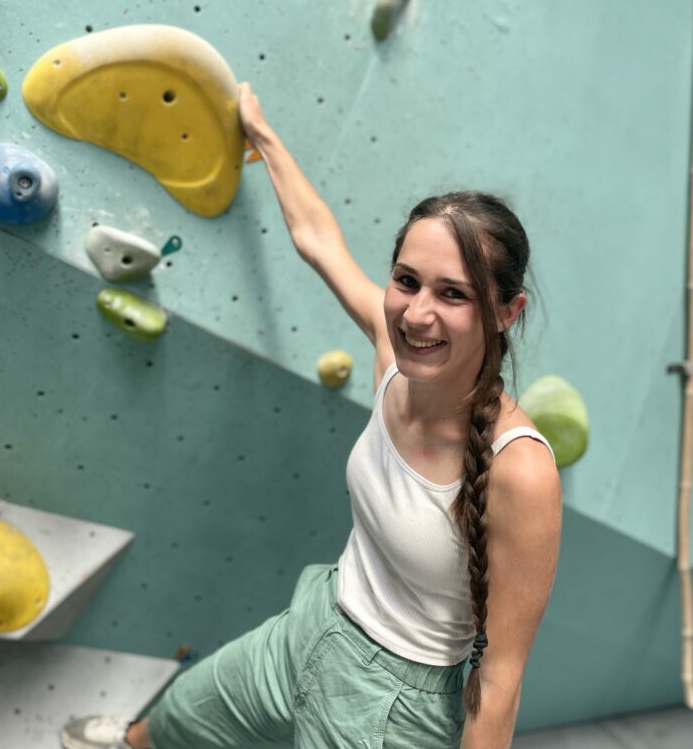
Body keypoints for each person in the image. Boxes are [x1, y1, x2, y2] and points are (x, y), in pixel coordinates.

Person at [62, 82, 561, 749]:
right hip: (317, 621)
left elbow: (499, 685)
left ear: (505, 313)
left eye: (453, 294)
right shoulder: (395, 359)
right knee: (179, 716)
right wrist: (262, 134)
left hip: (394, 706)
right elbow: (319, 240)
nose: (417, 314)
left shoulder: (520, 471)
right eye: (407, 281)